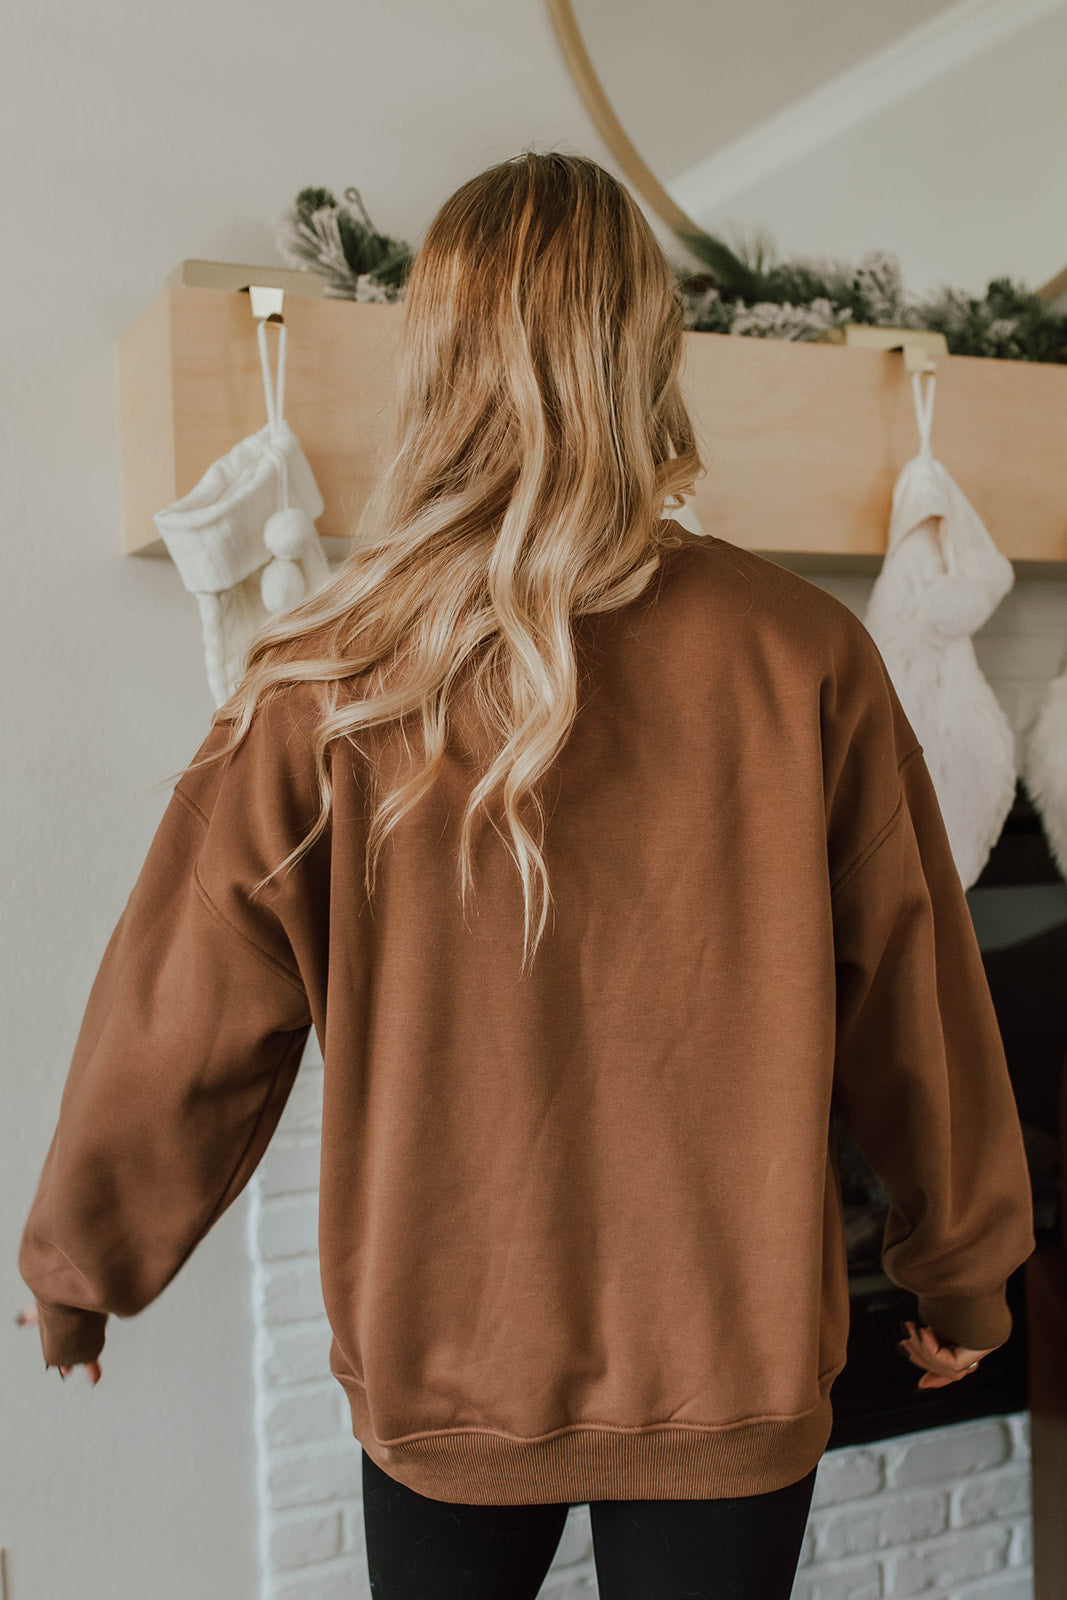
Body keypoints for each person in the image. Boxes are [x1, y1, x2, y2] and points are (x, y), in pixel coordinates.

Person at [16, 152, 1034, 1599]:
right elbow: (917, 1006)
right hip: (726, 1368)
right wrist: (963, 1271)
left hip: (446, 1369)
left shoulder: (327, 681)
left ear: (432, 363)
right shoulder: (801, 653)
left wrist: (82, 1268)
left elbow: (178, 1014)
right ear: (646, 354)